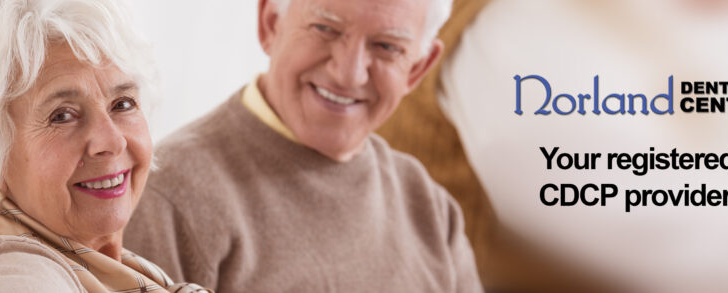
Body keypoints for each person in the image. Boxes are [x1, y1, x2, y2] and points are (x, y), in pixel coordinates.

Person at [123, 0, 483, 291]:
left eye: (387, 47)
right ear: (270, 24)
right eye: (325, 29)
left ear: (418, 69)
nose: (349, 72)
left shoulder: (428, 205)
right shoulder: (165, 196)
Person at [0, 0, 209, 292]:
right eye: (62, 116)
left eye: (122, 104)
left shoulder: (114, 272)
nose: (112, 141)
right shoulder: (23, 276)